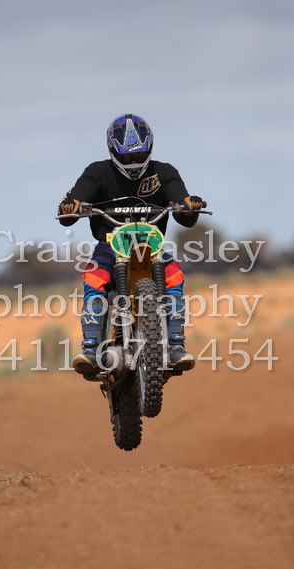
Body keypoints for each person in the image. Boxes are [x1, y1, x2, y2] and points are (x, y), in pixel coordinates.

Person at [58, 113, 205, 376]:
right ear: (112, 150)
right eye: (126, 157)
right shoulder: (97, 172)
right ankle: (90, 349)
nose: (133, 161)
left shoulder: (165, 173)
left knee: (174, 276)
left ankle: (176, 346)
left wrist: (189, 206)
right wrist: (71, 206)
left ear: (150, 147)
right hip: (109, 245)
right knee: (94, 278)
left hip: (152, 246)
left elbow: (184, 211)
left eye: (138, 155)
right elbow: (72, 206)